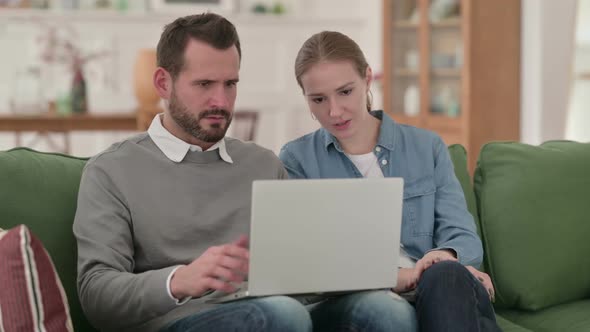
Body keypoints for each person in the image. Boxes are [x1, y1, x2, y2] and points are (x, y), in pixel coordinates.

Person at [74, 13, 415, 332]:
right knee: (285, 314)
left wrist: (378, 275)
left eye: (230, 84)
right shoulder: (111, 171)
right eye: (204, 84)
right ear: (164, 83)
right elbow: (96, 294)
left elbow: (303, 278)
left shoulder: (263, 164)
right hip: (184, 319)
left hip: (282, 312)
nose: (221, 101)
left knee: (388, 311)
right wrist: (178, 280)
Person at [279, 30, 501, 332]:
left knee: (446, 274)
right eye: (318, 99)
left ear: (367, 79)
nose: (333, 111)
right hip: (357, 299)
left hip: (437, 288)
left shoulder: (427, 146)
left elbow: (462, 235)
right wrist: (392, 276)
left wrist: (442, 257)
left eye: (345, 92)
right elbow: (307, 262)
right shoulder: (297, 159)